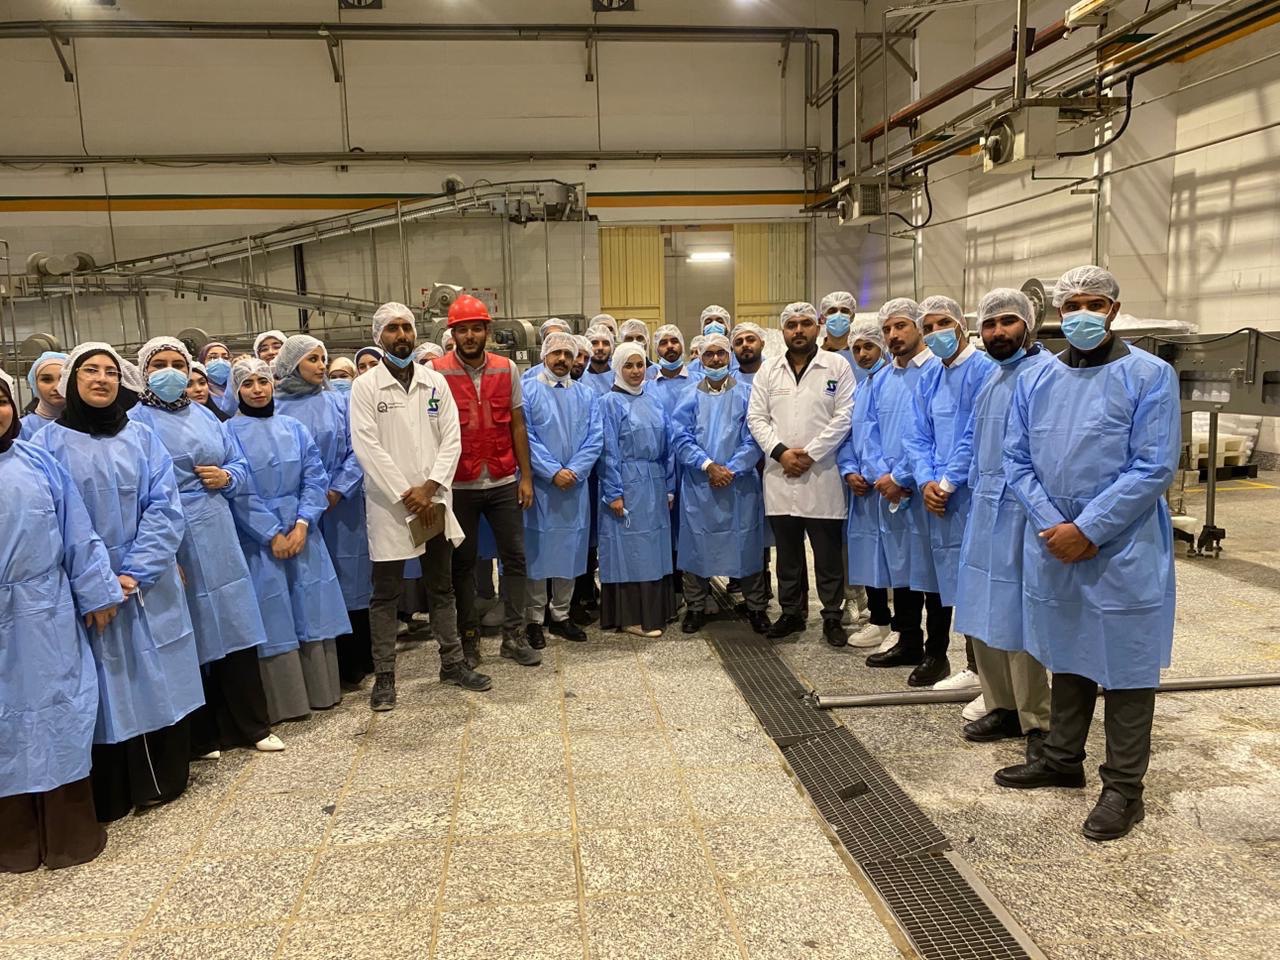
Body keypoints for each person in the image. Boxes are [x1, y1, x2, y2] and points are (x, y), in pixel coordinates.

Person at [995, 266, 1179, 843]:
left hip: (1124, 541)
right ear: (1057, 312)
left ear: (1113, 310)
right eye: (1071, 304)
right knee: (1066, 646)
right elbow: (1016, 459)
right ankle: (1061, 757)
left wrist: (1090, 528)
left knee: (1127, 663)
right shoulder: (1037, 378)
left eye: (1093, 303)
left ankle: (1124, 787)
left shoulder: (1149, 375)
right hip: (1053, 537)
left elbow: (1153, 465)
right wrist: (1053, 524)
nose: (1081, 314)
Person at [37, 343, 204, 823]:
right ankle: (114, 790)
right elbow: (55, 525)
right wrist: (99, 583)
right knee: (107, 687)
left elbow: (165, 508)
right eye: (89, 370)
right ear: (72, 381)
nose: (102, 379)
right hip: (86, 589)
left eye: (111, 371)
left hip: (148, 582)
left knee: (160, 676)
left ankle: (164, 779)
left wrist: (134, 571)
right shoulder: (45, 447)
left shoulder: (142, 437)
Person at [130, 338, 282, 756]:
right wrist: (161, 556)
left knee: (236, 623)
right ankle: (202, 735)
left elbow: (240, 465)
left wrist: (226, 477)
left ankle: (251, 725)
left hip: (217, 528)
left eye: (178, 364)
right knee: (189, 635)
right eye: (159, 365)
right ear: (143, 372)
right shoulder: (134, 424)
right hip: (170, 534)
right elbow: (135, 494)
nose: (170, 372)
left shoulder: (205, 414)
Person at [0, 370, 121, 872]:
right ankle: (14, 843)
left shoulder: (36, 461)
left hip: (43, 612)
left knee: (57, 713)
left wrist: (96, 590)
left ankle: (69, 837)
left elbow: (77, 531)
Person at [350, 302, 487, 710]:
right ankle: (385, 677)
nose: (401, 335)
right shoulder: (366, 387)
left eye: (406, 327)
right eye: (392, 329)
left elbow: (452, 438)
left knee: (441, 586)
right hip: (390, 506)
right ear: (378, 337)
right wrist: (406, 493)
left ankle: (452, 662)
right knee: (386, 592)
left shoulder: (434, 382)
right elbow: (367, 446)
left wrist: (429, 488)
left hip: (434, 499)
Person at [953, 289, 1054, 748]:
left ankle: (1037, 719)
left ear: (1029, 325)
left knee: (1019, 617)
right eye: (990, 324)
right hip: (985, 506)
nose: (998, 332)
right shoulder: (992, 379)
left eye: (1008, 321)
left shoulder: (1046, 375)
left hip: (1024, 511)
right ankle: (1002, 706)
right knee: (983, 609)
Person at [225, 360, 349, 722]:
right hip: (259, 541)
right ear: (237, 390)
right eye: (248, 383)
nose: (257, 389)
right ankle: (287, 703)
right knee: (274, 614)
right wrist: (270, 533)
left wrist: (303, 523)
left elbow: (315, 477)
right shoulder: (227, 433)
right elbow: (238, 492)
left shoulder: (294, 427)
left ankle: (323, 692)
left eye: (263, 381)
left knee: (313, 607)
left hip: (303, 533)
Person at [429, 294, 542, 669]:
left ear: (487, 331)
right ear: (452, 334)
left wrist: (526, 477)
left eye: (476, 329)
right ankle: (469, 638)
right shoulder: (436, 373)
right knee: (463, 564)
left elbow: (518, 425)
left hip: (502, 480)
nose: (470, 336)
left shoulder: (506, 369)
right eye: (462, 330)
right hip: (459, 485)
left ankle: (514, 635)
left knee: (515, 559)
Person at [901, 294, 996, 688]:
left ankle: (981, 669)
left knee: (975, 580)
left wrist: (947, 482)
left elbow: (976, 433)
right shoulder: (931, 376)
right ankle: (937, 655)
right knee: (938, 580)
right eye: (928, 327)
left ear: (962, 325)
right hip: (936, 494)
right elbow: (915, 434)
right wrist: (926, 480)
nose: (935, 332)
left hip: (970, 492)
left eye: (943, 323)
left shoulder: (985, 370)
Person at [747, 302, 854, 647]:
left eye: (805, 323)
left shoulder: (837, 366)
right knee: (788, 556)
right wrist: (780, 452)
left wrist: (810, 454)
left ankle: (832, 615)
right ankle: (791, 613)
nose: (798, 330)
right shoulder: (768, 371)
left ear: (817, 327)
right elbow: (756, 418)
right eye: (791, 324)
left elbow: (845, 416)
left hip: (821, 473)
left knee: (827, 555)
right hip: (780, 475)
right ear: (783, 331)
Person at [274, 335, 375, 688]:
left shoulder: (337, 401)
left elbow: (359, 448)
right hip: (298, 511)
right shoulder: (274, 406)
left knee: (352, 578)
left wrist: (336, 489)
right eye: (312, 359)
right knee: (309, 585)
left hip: (341, 506)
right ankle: (321, 667)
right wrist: (307, 500)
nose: (321, 366)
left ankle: (357, 660)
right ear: (292, 364)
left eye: (323, 359)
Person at [862, 299, 951, 683]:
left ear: (919, 328)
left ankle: (937, 653)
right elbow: (867, 430)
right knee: (902, 569)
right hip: (890, 492)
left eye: (901, 326)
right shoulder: (882, 379)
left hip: (924, 489)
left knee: (933, 576)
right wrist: (880, 474)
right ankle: (908, 639)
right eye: (887, 329)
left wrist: (902, 477)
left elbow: (933, 435)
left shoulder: (936, 372)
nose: (893, 335)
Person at [671, 334, 769, 634]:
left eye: (721, 354)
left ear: (729, 357)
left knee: (747, 546)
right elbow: (680, 437)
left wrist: (732, 469)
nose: (715, 359)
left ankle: (756, 606)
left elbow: (756, 437)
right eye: (709, 354)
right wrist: (708, 466)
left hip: (740, 485)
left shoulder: (748, 394)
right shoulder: (688, 395)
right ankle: (696, 606)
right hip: (700, 485)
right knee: (696, 546)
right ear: (700, 358)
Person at [522, 332, 604, 646]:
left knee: (570, 552)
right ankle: (534, 618)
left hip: (574, 488)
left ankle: (561, 615)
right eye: (556, 353)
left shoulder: (586, 395)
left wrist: (575, 471)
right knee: (538, 553)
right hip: (541, 488)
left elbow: (595, 438)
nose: (562, 359)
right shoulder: (527, 391)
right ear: (544, 355)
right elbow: (525, 437)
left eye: (568, 355)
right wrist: (553, 471)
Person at [598, 343, 676, 636]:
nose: (635, 371)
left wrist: (669, 486)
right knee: (629, 550)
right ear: (617, 368)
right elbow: (607, 450)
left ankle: (658, 611)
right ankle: (631, 616)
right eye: (628, 366)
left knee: (653, 547)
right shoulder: (609, 403)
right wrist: (613, 492)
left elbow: (668, 447)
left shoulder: (653, 400)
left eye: (640, 365)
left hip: (654, 483)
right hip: (626, 484)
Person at [838, 320, 897, 649]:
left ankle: (903, 626)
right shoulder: (861, 389)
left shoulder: (896, 383)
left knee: (897, 560)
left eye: (869, 347)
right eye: (857, 348)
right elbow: (850, 436)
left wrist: (884, 475)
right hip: (864, 490)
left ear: (883, 347)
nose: (862, 354)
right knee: (869, 556)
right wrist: (849, 470)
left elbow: (903, 436)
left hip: (892, 487)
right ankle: (879, 619)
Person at [19, 351, 68, 440]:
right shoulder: (21, 429)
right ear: (35, 384)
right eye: (47, 380)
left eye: (63, 379)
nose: (57, 387)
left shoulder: (90, 423)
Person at [649, 323, 696, 414]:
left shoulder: (700, 381)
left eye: (674, 341)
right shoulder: (648, 388)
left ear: (682, 346)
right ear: (656, 350)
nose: (670, 346)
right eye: (663, 343)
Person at [818, 291, 858, 377]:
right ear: (822, 318)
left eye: (844, 311)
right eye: (832, 311)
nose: (838, 315)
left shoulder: (863, 353)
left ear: (852, 317)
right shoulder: (815, 356)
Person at [198, 341, 235, 414]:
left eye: (225, 358)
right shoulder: (198, 391)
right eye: (212, 357)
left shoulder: (235, 386)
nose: (220, 362)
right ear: (202, 362)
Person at [583, 325, 616, 397]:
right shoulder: (579, 377)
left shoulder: (619, 376)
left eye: (605, 343)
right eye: (594, 343)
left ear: (612, 347)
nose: (600, 347)